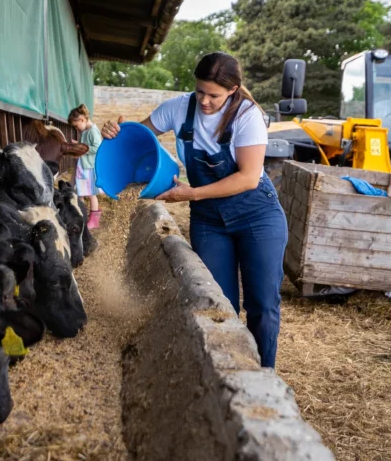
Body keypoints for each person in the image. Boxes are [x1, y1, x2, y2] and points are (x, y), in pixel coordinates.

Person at [101, 52, 286, 369]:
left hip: (256, 215)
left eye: (213, 95)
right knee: (218, 302)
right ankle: (226, 370)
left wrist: (192, 193)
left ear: (232, 89)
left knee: (263, 305)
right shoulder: (178, 108)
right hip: (210, 220)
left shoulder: (246, 116)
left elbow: (248, 177)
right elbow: (139, 138)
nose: (204, 101)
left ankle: (263, 372)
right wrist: (114, 132)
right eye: (200, 91)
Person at [69, 104, 103, 230]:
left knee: (90, 193)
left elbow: (97, 147)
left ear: (82, 120)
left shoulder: (93, 131)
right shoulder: (85, 131)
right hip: (82, 166)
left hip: (88, 167)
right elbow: (85, 145)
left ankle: (94, 221)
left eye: (76, 126)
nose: (77, 129)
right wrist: (77, 144)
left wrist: (82, 148)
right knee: (80, 193)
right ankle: (81, 217)